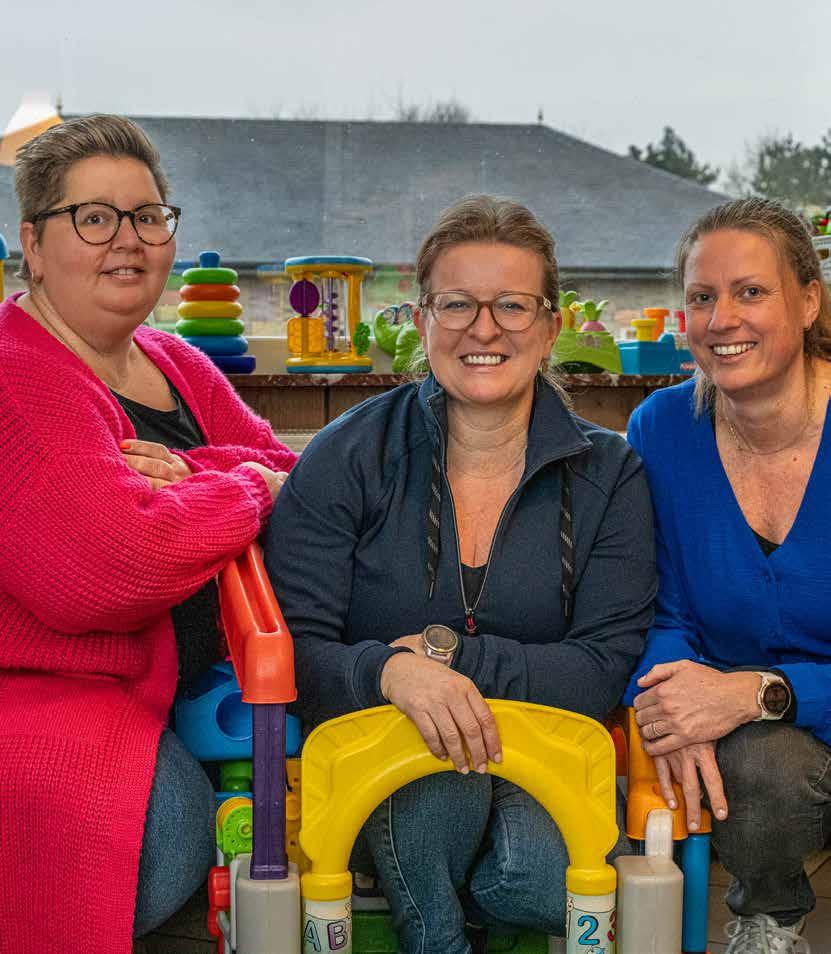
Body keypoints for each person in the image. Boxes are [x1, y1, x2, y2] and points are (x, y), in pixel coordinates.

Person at [265, 195, 656, 952]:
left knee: (536, 881)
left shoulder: (610, 473)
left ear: (550, 327)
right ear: (421, 322)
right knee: (434, 811)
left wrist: (448, 661)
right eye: (457, 304)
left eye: (511, 304)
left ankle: (478, 905)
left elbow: (602, 668)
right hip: (385, 745)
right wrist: (389, 674)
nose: (483, 329)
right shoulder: (349, 455)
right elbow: (294, 653)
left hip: (550, 744)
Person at [0, 114, 297, 954]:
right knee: (164, 842)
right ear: (34, 243)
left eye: (147, 216)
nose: (127, 240)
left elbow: (301, 485)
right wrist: (249, 487)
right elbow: (108, 565)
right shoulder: (15, 373)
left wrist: (196, 474)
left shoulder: (176, 361)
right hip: (54, 694)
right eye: (94, 218)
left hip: (200, 690)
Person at [624, 197, 831, 954]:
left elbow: (754, 696)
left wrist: (759, 691)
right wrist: (669, 705)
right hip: (766, 741)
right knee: (756, 765)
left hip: (768, 703)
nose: (722, 320)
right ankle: (769, 919)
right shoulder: (661, 429)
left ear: (807, 302)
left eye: (750, 291)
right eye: (702, 297)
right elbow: (660, 607)